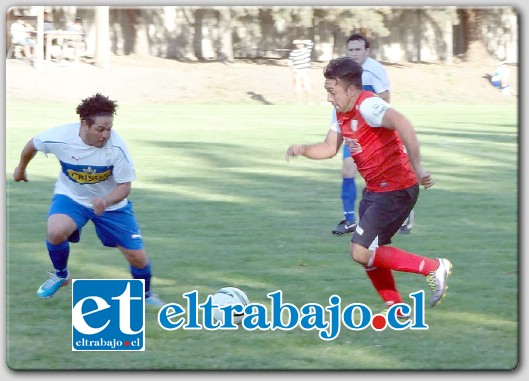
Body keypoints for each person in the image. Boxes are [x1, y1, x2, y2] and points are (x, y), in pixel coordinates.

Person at [286, 57, 452, 312]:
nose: (329, 98)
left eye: (332, 91)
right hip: (376, 190)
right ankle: (396, 309)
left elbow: (403, 123)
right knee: (370, 255)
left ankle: (433, 267)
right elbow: (330, 147)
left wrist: (418, 166)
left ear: (351, 90)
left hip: (396, 188)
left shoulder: (369, 105)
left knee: (360, 251)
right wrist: (302, 149)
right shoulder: (340, 111)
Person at [12, 93, 165, 307]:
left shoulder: (117, 148)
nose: (105, 134)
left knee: (137, 257)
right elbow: (32, 145)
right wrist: (21, 169)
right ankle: (61, 275)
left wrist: (105, 201)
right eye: (100, 129)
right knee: (55, 231)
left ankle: (146, 295)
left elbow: (125, 186)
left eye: (109, 128)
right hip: (72, 197)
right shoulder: (59, 137)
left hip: (112, 206)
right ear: (84, 124)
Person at [332, 33, 414, 235]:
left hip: (373, 131)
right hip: (352, 130)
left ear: (367, 51)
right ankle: (350, 219)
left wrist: (365, 108)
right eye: (350, 50)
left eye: (358, 49)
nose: (354, 53)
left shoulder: (374, 69)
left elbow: (385, 97)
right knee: (347, 170)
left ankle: (404, 212)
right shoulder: (345, 72)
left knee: (385, 177)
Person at [287, 39, 314, 105]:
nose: (298, 45)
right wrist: (292, 69)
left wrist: (300, 41)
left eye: (300, 44)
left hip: (305, 72)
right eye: (297, 44)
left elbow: (310, 43)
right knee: (297, 88)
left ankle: (310, 102)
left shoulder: (306, 50)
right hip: (297, 72)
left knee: (307, 87)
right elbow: (290, 62)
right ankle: (300, 102)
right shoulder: (293, 53)